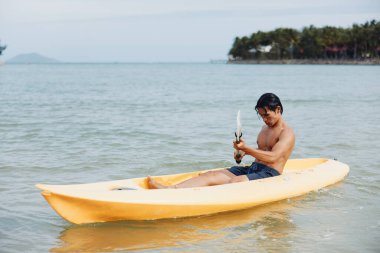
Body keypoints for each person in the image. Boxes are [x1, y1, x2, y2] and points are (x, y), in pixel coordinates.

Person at [148, 93, 295, 189]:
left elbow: (274, 157)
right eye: (261, 116)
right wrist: (240, 154)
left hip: (270, 173)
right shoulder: (264, 129)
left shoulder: (287, 133)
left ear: (278, 110)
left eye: (267, 115)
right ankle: (170, 190)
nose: (264, 119)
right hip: (253, 169)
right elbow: (260, 154)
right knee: (210, 175)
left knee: (235, 183)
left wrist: (247, 149)